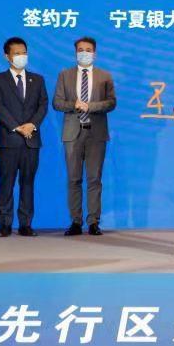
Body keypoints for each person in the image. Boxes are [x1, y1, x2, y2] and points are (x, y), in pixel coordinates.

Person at [52, 37, 116, 236]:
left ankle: (93, 222)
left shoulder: (105, 76)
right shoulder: (65, 75)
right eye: (80, 50)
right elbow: (57, 103)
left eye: (88, 50)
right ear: (75, 52)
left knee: (94, 179)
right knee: (74, 179)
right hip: (72, 133)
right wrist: (74, 105)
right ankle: (76, 221)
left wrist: (90, 106)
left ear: (94, 53)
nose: (84, 53)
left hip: (96, 133)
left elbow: (111, 103)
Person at [0, 37, 48, 237]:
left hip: (31, 139)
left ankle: (25, 224)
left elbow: (43, 105)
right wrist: (17, 127)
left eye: (24, 53)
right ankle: (5, 224)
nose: (21, 56)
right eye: (17, 53)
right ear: (7, 56)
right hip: (8, 139)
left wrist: (32, 125)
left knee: (28, 183)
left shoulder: (37, 79)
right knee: (6, 182)